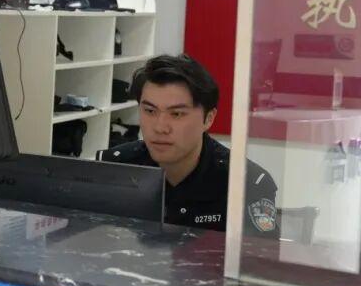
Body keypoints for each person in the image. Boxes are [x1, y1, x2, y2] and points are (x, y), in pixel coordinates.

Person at [98, 54, 279, 237]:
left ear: (208, 119)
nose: (160, 127)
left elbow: (260, 254)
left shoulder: (244, 183)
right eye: (150, 111)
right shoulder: (114, 167)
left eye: (176, 114)